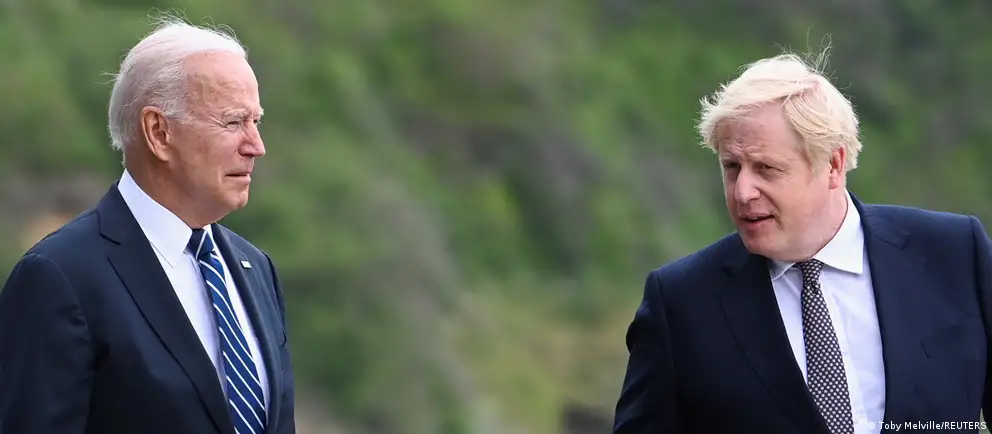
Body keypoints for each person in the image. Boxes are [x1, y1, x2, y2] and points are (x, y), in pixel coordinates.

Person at [612, 48, 992, 434]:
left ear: (834, 165)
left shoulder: (956, 254)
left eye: (766, 168)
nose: (743, 191)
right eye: (732, 167)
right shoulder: (681, 302)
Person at [0, 16, 296, 434]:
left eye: (256, 121)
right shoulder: (60, 277)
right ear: (158, 132)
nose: (256, 146)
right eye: (233, 122)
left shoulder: (256, 268)